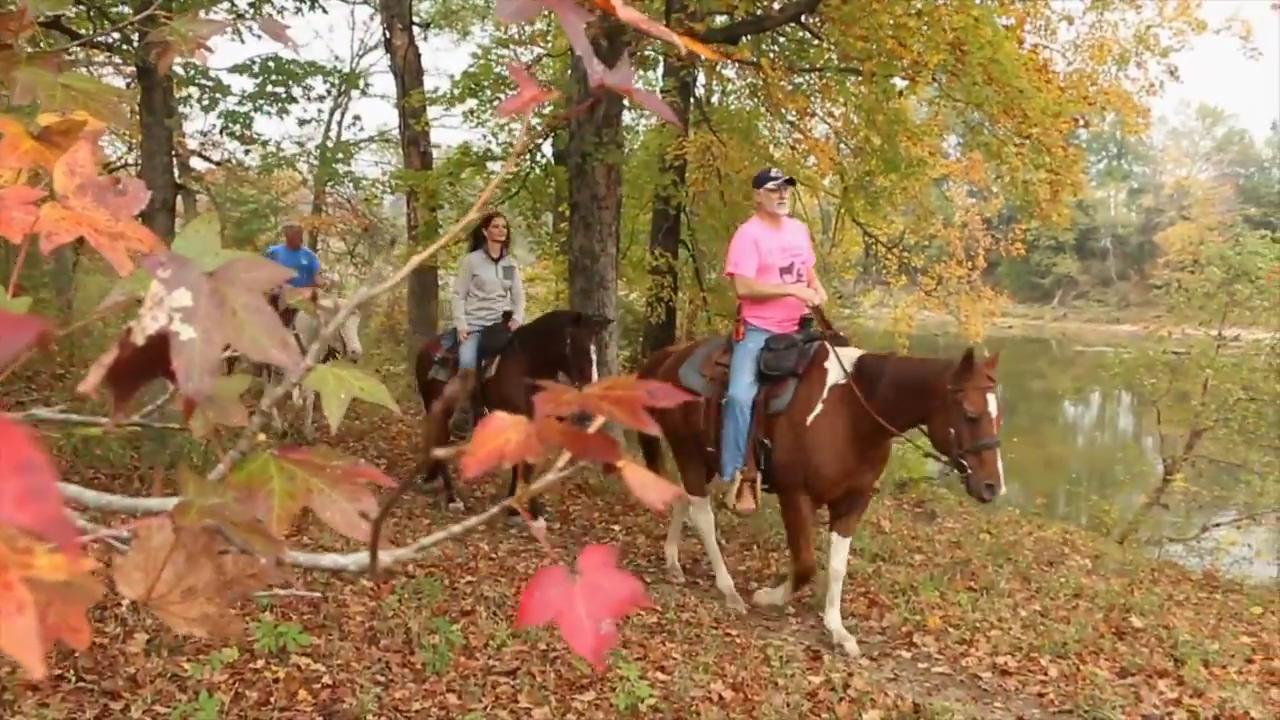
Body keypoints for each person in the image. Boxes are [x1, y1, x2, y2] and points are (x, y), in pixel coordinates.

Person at [719, 167, 829, 515]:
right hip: (759, 330)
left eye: (786, 189)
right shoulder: (748, 235)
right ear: (757, 196)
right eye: (773, 189)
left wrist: (817, 288)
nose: (782, 195)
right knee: (739, 396)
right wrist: (791, 289)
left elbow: (807, 268)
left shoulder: (798, 230)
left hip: (800, 327)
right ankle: (735, 472)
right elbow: (744, 287)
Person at [448, 211, 526, 435]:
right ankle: (464, 413)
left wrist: (517, 318)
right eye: (495, 226)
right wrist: (461, 324)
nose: (501, 230)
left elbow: (518, 296)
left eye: (504, 227)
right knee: (467, 363)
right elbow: (458, 295)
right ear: (485, 231)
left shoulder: (510, 264)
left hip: (500, 323)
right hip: (474, 325)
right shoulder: (471, 261)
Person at [263, 223, 324, 328]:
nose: (298, 237)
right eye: (295, 234)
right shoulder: (274, 252)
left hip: (304, 294)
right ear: (287, 235)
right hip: (281, 293)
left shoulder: (309, 255)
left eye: (299, 233)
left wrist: (322, 283)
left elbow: (317, 276)